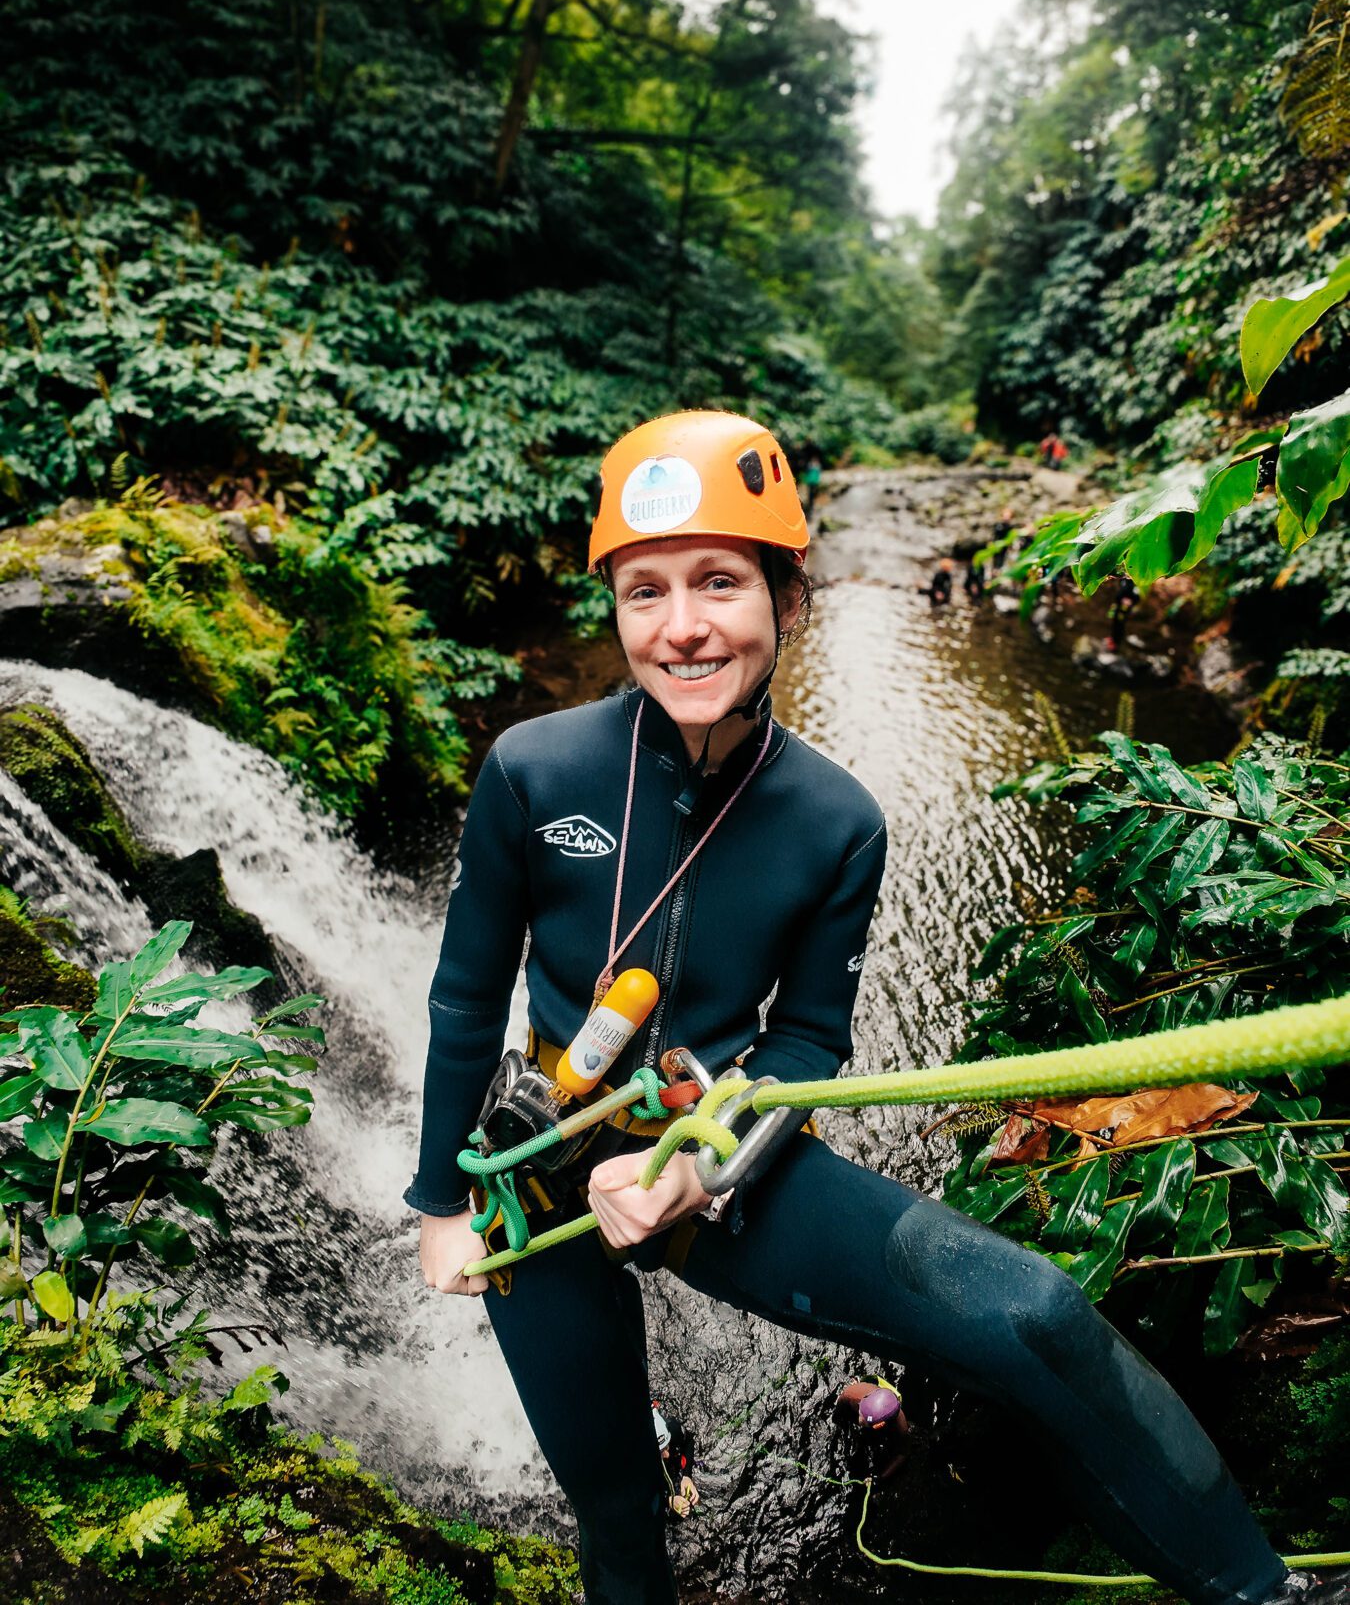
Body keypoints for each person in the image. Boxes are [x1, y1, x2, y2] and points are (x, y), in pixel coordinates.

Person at [406, 409, 1338, 1605]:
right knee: (619, 1504)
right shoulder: (533, 773)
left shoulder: (838, 821)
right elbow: (466, 993)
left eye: (719, 583)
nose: (682, 626)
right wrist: (439, 1199)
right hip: (535, 1154)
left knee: (1038, 1317)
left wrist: (705, 1171)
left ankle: (1264, 1596)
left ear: (789, 602)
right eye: (644, 593)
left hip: (719, 1132)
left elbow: (803, 1043)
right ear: (617, 612)